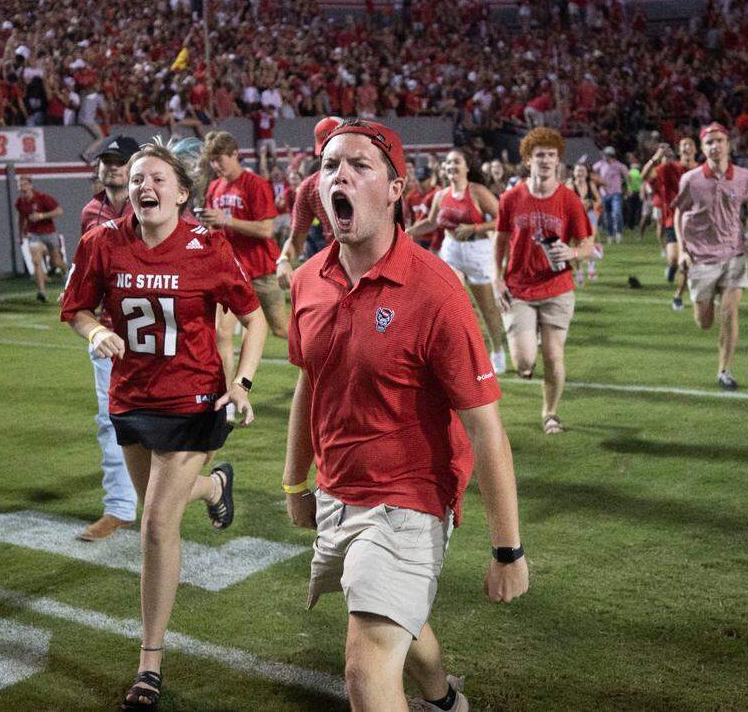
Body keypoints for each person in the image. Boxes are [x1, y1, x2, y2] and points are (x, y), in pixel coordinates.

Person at [284, 119, 528, 712]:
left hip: (411, 498)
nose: (339, 175)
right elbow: (309, 380)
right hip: (340, 490)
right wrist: (296, 477)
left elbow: (484, 426)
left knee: (365, 672)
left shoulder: (436, 291)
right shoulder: (307, 281)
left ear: (396, 191)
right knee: (395, 617)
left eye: (360, 165)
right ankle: (445, 699)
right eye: (329, 166)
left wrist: (508, 550)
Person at [60, 139, 266, 710]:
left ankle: (149, 662)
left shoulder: (208, 245)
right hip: (132, 399)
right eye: (135, 180)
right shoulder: (102, 242)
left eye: (156, 179)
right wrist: (94, 332)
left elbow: (255, 321)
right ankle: (216, 485)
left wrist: (240, 384)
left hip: (194, 401)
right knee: (160, 503)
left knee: (153, 524)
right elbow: (74, 308)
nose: (143, 187)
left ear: (180, 192)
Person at [673, 124, 748, 390]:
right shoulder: (691, 180)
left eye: (720, 141)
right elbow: (679, 212)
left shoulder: (745, 178)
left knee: (729, 311)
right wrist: (682, 249)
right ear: (703, 149)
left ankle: (724, 370)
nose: (715, 146)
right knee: (705, 322)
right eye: (710, 143)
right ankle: (707, 303)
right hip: (701, 256)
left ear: (728, 145)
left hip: (734, 254)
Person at [494, 127, 594, 434]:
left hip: (557, 288)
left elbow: (588, 244)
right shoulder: (511, 198)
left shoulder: (570, 200)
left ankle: (550, 413)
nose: (547, 160)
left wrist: (574, 251)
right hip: (520, 288)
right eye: (540, 155)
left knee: (554, 355)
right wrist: (496, 278)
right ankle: (529, 347)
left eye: (552, 155)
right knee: (524, 363)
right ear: (528, 160)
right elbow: (500, 241)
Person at [74, 134, 141, 542]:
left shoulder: (153, 203)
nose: (112, 167)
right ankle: (119, 506)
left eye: (120, 161)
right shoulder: (89, 212)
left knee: (165, 421)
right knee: (109, 419)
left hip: (154, 329)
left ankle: (201, 487)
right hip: (109, 328)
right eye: (107, 161)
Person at [197, 131, 287, 395]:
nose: (216, 165)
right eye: (212, 161)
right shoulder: (214, 187)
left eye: (219, 159)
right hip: (229, 273)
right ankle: (227, 393)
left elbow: (266, 230)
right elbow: (217, 230)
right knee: (221, 334)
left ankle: (320, 365)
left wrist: (225, 220)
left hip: (260, 269)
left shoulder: (255, 184)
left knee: (282, 330)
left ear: (235, 154)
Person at [406, 149, 507, 373]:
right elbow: (431, 223)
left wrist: (475, 227)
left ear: (467, 167)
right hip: (451, 250)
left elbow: (503, 219)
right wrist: (407, 232)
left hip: (478, 251)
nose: (451, 167)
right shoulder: (441, 195)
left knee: (487, 308)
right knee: (453, 303)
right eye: (448, 163)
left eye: (456, 163)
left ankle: (498, 350)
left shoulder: (478, 191)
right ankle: (461, 352)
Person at [276, 116, 343, 290]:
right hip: (336, 267)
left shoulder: (371, 176)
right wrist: (283, 260)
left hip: (373, 266)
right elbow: (296, 239)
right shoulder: (310, 187)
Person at [642, 138, 696, 310]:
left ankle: (678, 296)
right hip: (673, 219)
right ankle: (672, 267)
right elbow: (645, 176)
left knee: (685, 263)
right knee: (673, 258)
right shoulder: (670, 168)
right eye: (683, 146)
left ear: (696, 149)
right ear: (679, 151)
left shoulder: (701, 170)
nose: (687, 148)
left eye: (690, 145)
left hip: (694, 223)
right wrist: (655, 158)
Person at [15, 175, 65, 303]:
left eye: (25, 184)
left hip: (49, 232)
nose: (23, 187)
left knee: (56, 262)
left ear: (30, 185)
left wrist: (42, 216)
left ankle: (66, 272)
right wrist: (20, 234)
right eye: (20, 185)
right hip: (34, 234)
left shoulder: (42, 198)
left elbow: (59, 211)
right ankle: (42, 292)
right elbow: (21, 218)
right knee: (36, 261)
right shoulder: (19, 202)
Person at [564, 161, 603, 284]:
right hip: (574, 217)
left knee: (589, 242)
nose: (580, 173)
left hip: (590, 216)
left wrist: (592, 204)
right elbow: (564, 202)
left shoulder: (590, 184)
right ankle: (579, 271)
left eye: (582, 171)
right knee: (575, 244)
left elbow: (599, 200)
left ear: (586, 174)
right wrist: (579, 204)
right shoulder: (569, 184)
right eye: (577, 171)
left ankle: (591, 266)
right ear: (574, 173)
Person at [593, 146, 628, 243]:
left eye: (607, 155)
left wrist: (625, 186)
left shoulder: (618, 165)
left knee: (617, 213)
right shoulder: (600, 164)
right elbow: (592, 171)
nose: (605, 157)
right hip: (604, 194)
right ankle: (610, 234)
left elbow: (627, 175)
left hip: (616, 193)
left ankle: (619, 232)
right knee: (606, 215)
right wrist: (598, 180)